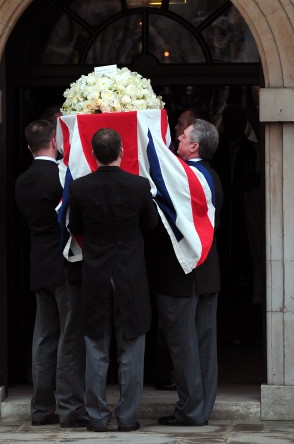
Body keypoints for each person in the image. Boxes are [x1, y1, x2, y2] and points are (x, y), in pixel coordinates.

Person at [68, 128, 158, 432]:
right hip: (129, 271)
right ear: (121, 151)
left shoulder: (80, 188)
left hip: (96, 272)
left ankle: (96, 417)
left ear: (94, 155)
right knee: (132, 345)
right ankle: (128, 417)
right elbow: (151, 224)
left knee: (96, 344)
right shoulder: (138, 185)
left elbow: (75, 225)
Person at [147, 119, 223, 426]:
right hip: (206, 272)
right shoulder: (211, 176)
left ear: (195, 146)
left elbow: (159, 169)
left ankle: (191, 411)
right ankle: (201, 408)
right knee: (203, 344)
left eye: (184, 135)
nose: (178, 137)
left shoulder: (185, 176)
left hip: (181, 275)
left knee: (184, 345)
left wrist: (148, 137)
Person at [15, 119, 88, 428]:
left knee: (44, 338)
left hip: (39, 266)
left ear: (29, 146)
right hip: (64, 265)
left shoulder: (22, 180)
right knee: (69, 338)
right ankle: (71, 409)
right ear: (55, 142)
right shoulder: (60, 176)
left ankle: (42, 409)